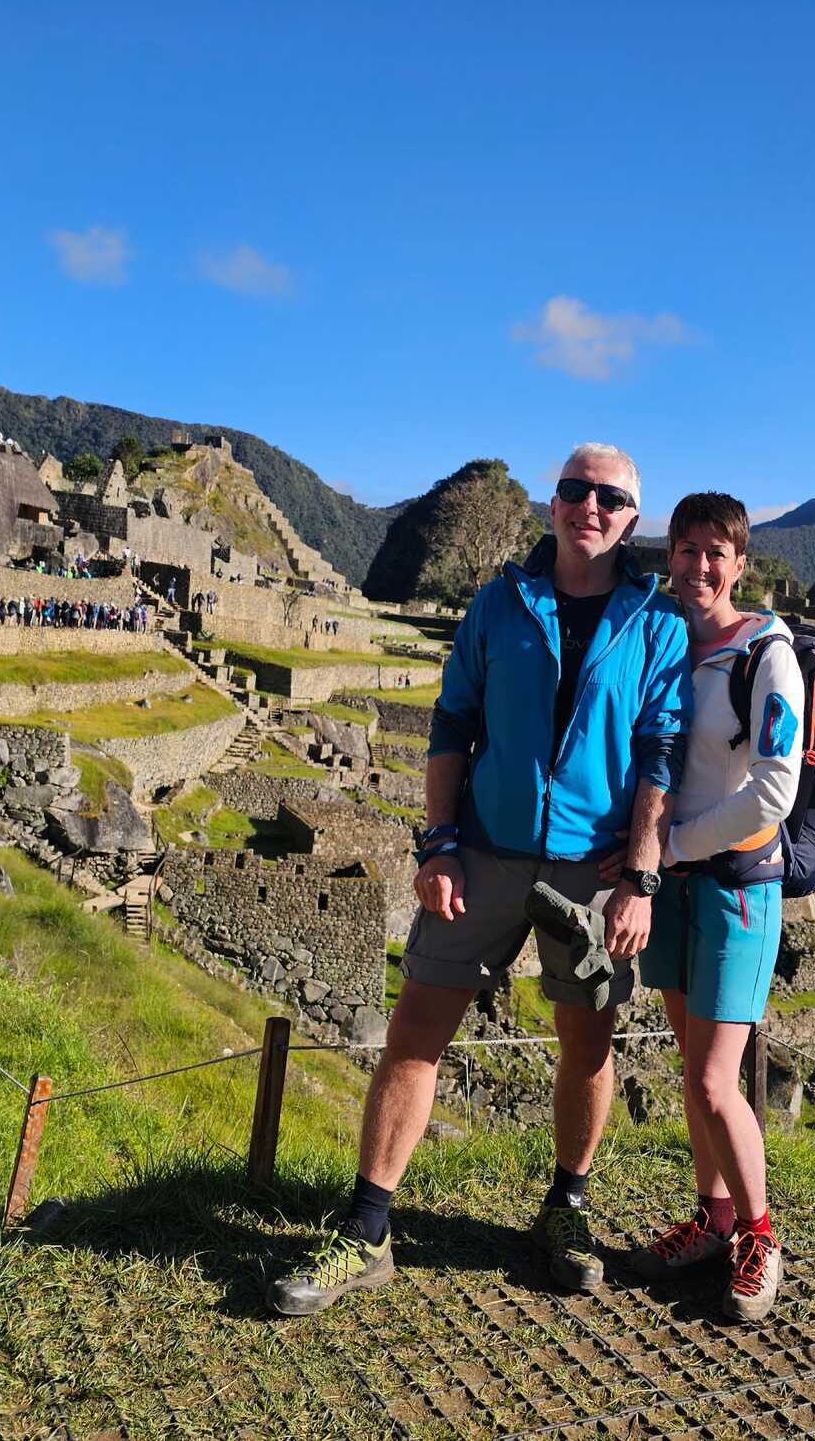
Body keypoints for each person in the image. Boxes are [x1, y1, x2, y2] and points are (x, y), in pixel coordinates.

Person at [268, 442, 691, 1318]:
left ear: (630, 517)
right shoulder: (500, 604)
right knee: (417, 1029)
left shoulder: (656, 625)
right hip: (486, 853)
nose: (591, 507)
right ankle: (367, 1229)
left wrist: (641, 876)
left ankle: (566, 1209)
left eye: (611, 497)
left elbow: (659, 754)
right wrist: (437, 846)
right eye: (577, 490)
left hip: (591, 867)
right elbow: (452, 724)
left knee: (588, 1042)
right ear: (553, 503)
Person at [618, 492, 801, 1323]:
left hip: (733, 886)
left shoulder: (766, 654)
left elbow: (776, 787)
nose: (697, 567)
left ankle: (761, 1236)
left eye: (713, 554)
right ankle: (714, 1221)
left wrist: (675, 848)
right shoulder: (667, 641)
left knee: (716, 1079)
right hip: (677, 886)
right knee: (693, 1076)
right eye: (685, 551)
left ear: (739, 565)